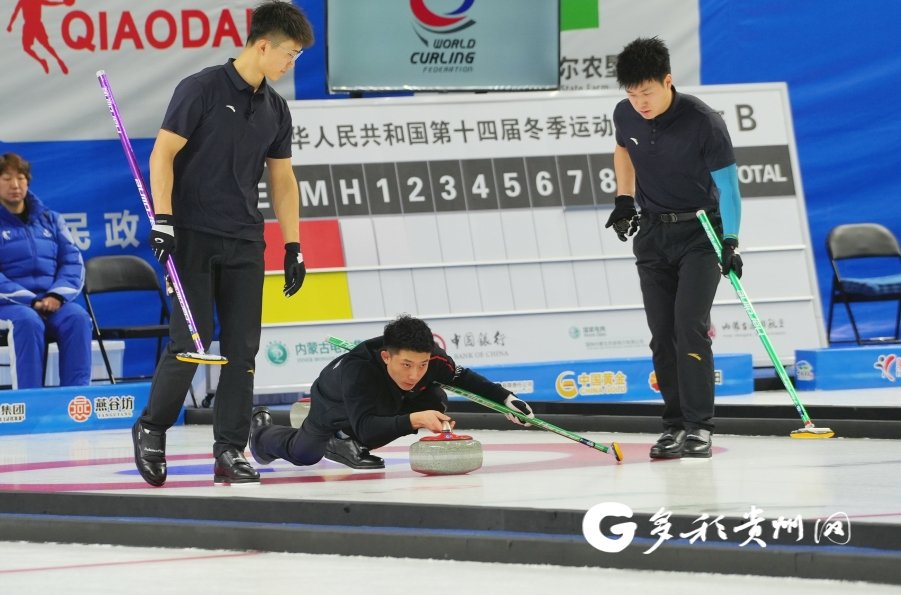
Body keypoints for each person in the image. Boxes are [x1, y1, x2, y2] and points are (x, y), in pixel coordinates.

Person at [131, 1, 314, 487]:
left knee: (242, 350)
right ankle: (152, 427)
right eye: (289, 54)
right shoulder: (201, 89)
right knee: (189, 344)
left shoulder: (275, 108)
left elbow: (283, 181)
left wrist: (293, 245)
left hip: (244, 240)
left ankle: (229, 449)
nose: (290, 64)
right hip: (190, 235)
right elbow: (162, 154)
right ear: (262, 45)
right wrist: (164, 219)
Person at [605, 37, 743, 459]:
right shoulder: (625, 113)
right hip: (653, 234)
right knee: (662, 336)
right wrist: (624, 200)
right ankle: (673, 426)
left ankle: (699, 427)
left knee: (689, 327)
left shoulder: (703, 121)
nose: (639, 102)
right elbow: (623, 150)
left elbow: (729, 187)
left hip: (701, 233)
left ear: (668, 81)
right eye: (632, 93)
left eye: (647, 92)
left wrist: (731, 240)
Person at [248, 315, 534, 470]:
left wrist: (506, 400)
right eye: (406, 364)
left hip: (381, 401)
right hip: (334, 402)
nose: (414, 374)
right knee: (305, 454)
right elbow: (369, 430)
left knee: (435, 398)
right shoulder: (357, 369)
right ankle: (262, 433)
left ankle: (344, 442)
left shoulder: (434, 360)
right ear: (386, 357)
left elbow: (465, 379)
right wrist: (416, 420)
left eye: (422, 365)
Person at [0, 152, 92, 389]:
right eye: (6, 178)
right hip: (10, 306)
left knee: (77, 317)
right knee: (29, 321)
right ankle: (30, 403)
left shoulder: (51, 219)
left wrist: (56, 296)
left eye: (20, 177)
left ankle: (76, 401)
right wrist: (31, 301)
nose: (15, 185)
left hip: (51, 302)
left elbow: (72, 261)